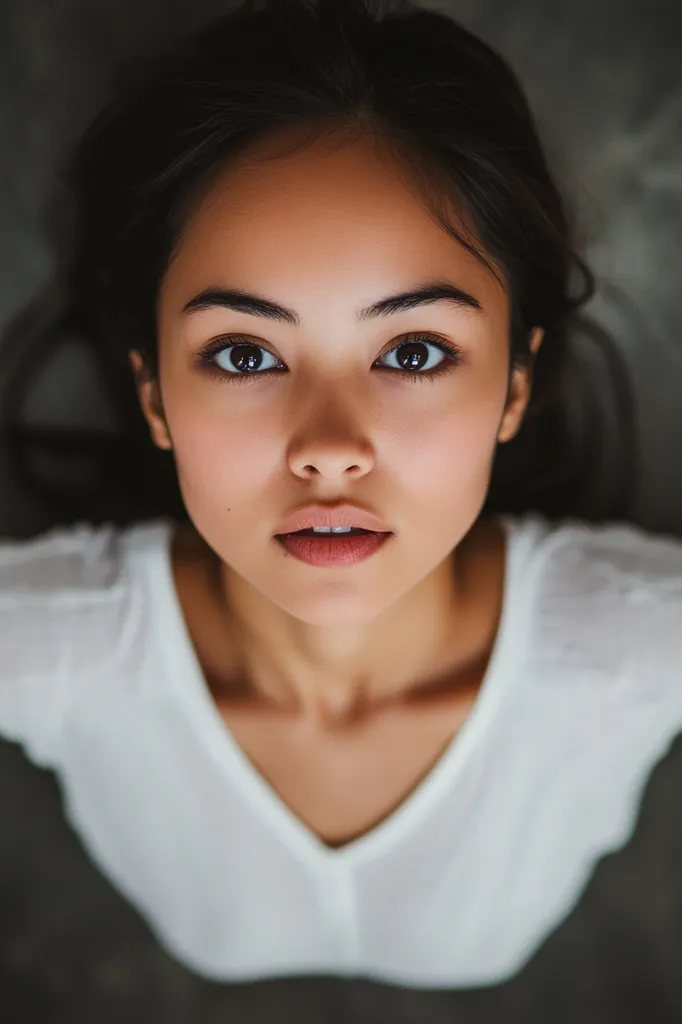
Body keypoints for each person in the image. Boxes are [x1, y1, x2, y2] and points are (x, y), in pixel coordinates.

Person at [0, 0, 680, 992]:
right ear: (154, 393)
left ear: (513, 387)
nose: (328, 450)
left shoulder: (633, 649)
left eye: (412, 352)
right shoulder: (61, 650)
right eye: (243, 353)